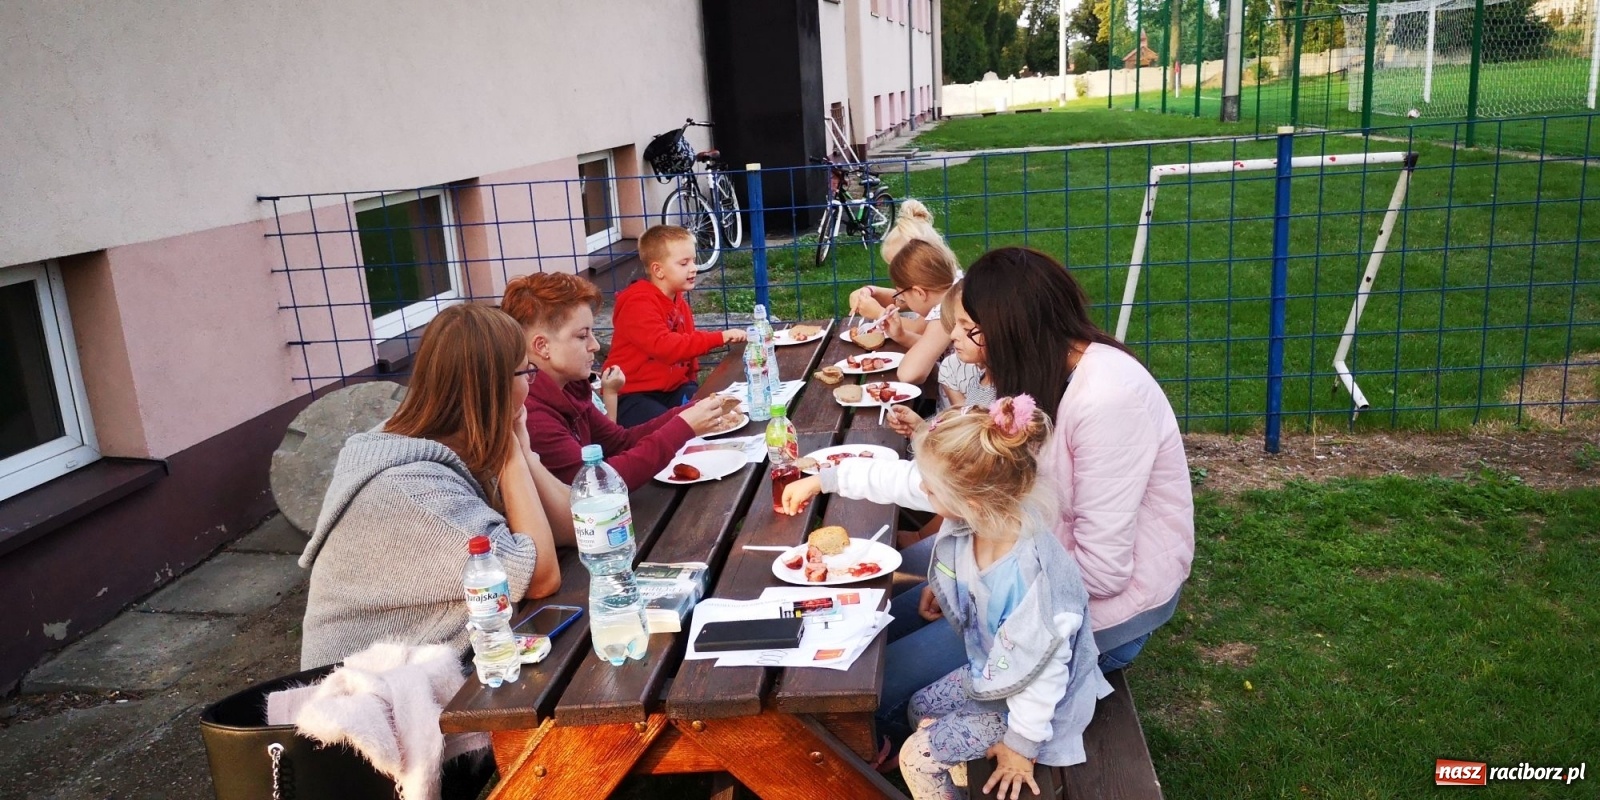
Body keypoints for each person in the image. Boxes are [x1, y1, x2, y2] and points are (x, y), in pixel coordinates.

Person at [788, 246, 1193, 707]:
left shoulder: (1107, 402)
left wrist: (970, 591)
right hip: (1025, 559)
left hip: (1088, 611)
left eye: (966, 327)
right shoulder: (1035, 380)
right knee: (872, 617)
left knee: (881, 686)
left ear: (1010, 329)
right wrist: (834, 479)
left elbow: (1100, 574)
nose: (954, 340)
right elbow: (957, 484)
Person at [298, 304, 571, 670]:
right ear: (496, 390)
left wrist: (521, 447)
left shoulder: (449, 442)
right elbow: (541, 578)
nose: (531, 383)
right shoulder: (413, 490)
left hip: (418, 672)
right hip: (362, 702)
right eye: (526, 371)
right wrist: (511, 457)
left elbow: (573, 529)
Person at [500, 272, 742, 489]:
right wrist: (682, 427)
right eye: (582, 336)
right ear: (542, 346)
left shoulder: (568, 387)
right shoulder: (531, 414)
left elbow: (619, 442)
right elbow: (598, 485)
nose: (594, 345)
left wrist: (693, 411)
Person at [605, 225, 746, 427]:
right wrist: (719, 337)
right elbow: (665, 347)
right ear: (658, 270)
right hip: (634, 395)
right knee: (677, 429)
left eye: (694, 260)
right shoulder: (637, 303)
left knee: (717, 414)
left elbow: (689, 357)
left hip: (674, 389)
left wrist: (691, 386)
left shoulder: (679, 301)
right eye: (684, 263)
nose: (693, 268)